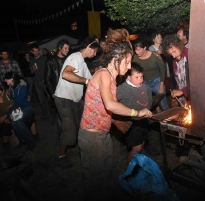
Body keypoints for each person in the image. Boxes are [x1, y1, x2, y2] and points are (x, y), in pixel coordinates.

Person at [78, 28, 152, 200]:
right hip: (91, 136)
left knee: (108, 175)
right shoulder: (103, 74)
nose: (128, 67)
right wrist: (137, 112)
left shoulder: (111, 78)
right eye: (127, 62)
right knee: (94, 181)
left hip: (103, 134)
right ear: (116, 59)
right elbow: (110, 104)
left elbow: (110, 107)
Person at [54, 35, 100, 168]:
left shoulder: (83, 63)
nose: (95, 54)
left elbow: (92, 82)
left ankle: (84, 149)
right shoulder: (75, 57)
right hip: (64, 98)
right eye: (95, 50)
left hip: (74, 99)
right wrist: (85, 81)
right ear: (88, 46)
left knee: (82, 124)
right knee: (70, 130)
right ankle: (61, 157)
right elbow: (66, 74)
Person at [162, 34, 190, 162]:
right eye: (170, 53)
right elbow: (179, 81)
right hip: (184, 101)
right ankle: (183, 153)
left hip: (195, 98)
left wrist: (183, 91)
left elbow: (199, 80)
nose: (172, 55)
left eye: (174, 51)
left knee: (192, 126)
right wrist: (176, 96)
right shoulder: (174, 61)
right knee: (183, 125)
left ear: (179, 45)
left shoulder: (191, 55)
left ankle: (185, 154)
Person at [116, 62, 152, 164]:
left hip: (143, 121)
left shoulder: (145, 87)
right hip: (131, 123)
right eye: (137, 77)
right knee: (137, 147)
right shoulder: (122, 89)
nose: (140, 80)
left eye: (141, 77)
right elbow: (113, 104)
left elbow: (149, 100)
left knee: (142, 144)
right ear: (128, 77)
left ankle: (141, 165)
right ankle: (129, 172)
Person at [0, 72, 36, 150]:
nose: (5, 80)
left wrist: (6, 115)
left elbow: (17, 103)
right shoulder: (10, 88)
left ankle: (31, 142)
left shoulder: (22, 87)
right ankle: (22, 141)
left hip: (27, 108)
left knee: (19, 122)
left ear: (12, 79)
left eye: (7, 79)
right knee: (13, 123)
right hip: (18, 109)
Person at [132, 38, 169, 111]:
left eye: (139, 50)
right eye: (135, 50)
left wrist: (161, 86)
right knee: (149, 104)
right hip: (144, 83)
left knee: (164, 105)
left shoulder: (155, 55)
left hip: (157, 82)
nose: (136, 52)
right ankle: (158, 117)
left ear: (145, 48)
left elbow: (162, 70)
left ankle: (170, 120)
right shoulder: (135, 58)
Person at [44, 39, 70, 140]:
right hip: (58, 92)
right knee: (60, 115)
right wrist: (52, 93)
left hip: (68, 91)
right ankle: (61, 135)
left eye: (68, 48)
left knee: (69, 113)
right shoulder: (51, 60)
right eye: (65, 48)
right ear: (60, 48)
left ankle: (70, 132)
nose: (68, 50)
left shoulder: (68, 59)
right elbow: (47, 78)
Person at [30, 45, 53, 119]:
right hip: (37, 82)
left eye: (37, 51)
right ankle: (45, 114)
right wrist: (33, 68)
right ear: (32, 52)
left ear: (39, 50)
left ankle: (52, 113)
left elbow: (50, 69)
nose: (36, 52)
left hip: (45, 82)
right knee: (41, 99)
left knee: (50, 98)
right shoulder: (32, 60)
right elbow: (31, 72)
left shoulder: (45, 58)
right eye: (34, 51)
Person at [0, 87, 13, 152]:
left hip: (9, 116)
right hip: (2, 119)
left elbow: (13, 104)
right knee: (4, 125)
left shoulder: (7, 95)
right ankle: (5, 144)